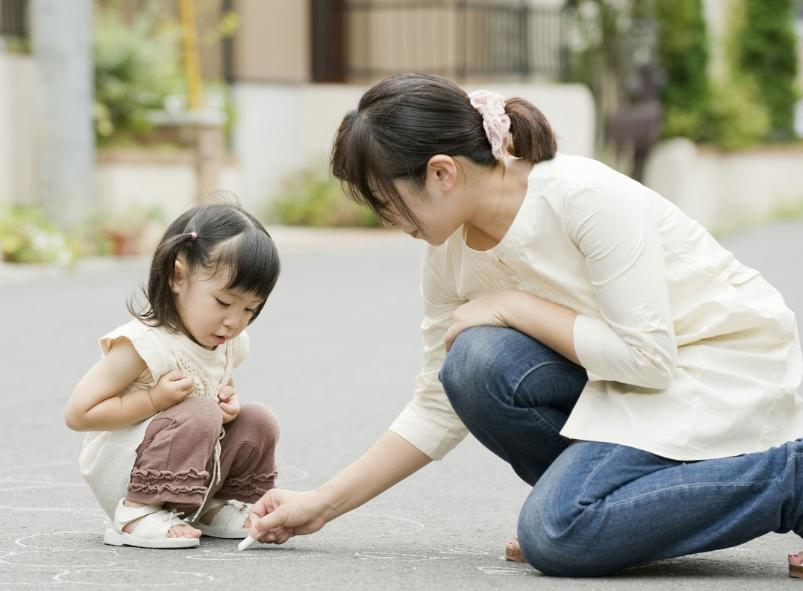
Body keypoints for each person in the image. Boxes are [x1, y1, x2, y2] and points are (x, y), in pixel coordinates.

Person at [247, 73, 803, 576]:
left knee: (556, 535)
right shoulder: (448, 251)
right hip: (633, 386)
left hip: (720, 368)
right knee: (472, 364)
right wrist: (322, 503)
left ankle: (792, 479)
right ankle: (604, 514)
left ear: (442, 172)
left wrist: (514, 305)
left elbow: (648, 358)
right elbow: (438, 400)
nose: (385, 220)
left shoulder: (583, 197)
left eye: (385, 201)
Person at [65, 202, 281, 549]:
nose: (235, 320)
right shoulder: (144, 344)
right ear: (178, 276)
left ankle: (215, 506)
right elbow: (79, 413)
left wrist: (229, 403)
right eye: (224, 302)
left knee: (258, 419)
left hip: (194, 466)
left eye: (249, 309)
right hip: (128, 473)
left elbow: (224, 385)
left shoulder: (229, 342)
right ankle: (136, 514)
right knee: (201, 412)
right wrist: (153, 400)